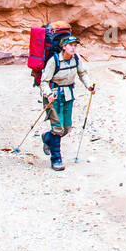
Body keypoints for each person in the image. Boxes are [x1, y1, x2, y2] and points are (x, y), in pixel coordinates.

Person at [40, 36, 94, 171]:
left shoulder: (76, 59)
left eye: (75, 45)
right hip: (54, 95)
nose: (73, 47)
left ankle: (47, 138)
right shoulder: (54, 61)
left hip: (68, 95)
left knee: (67, 127)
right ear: (64, 47)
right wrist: (48, 94)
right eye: (70, 45)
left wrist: (89, 86)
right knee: (58, 128)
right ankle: (56, 159)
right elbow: (44, 81)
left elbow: (82, 73)